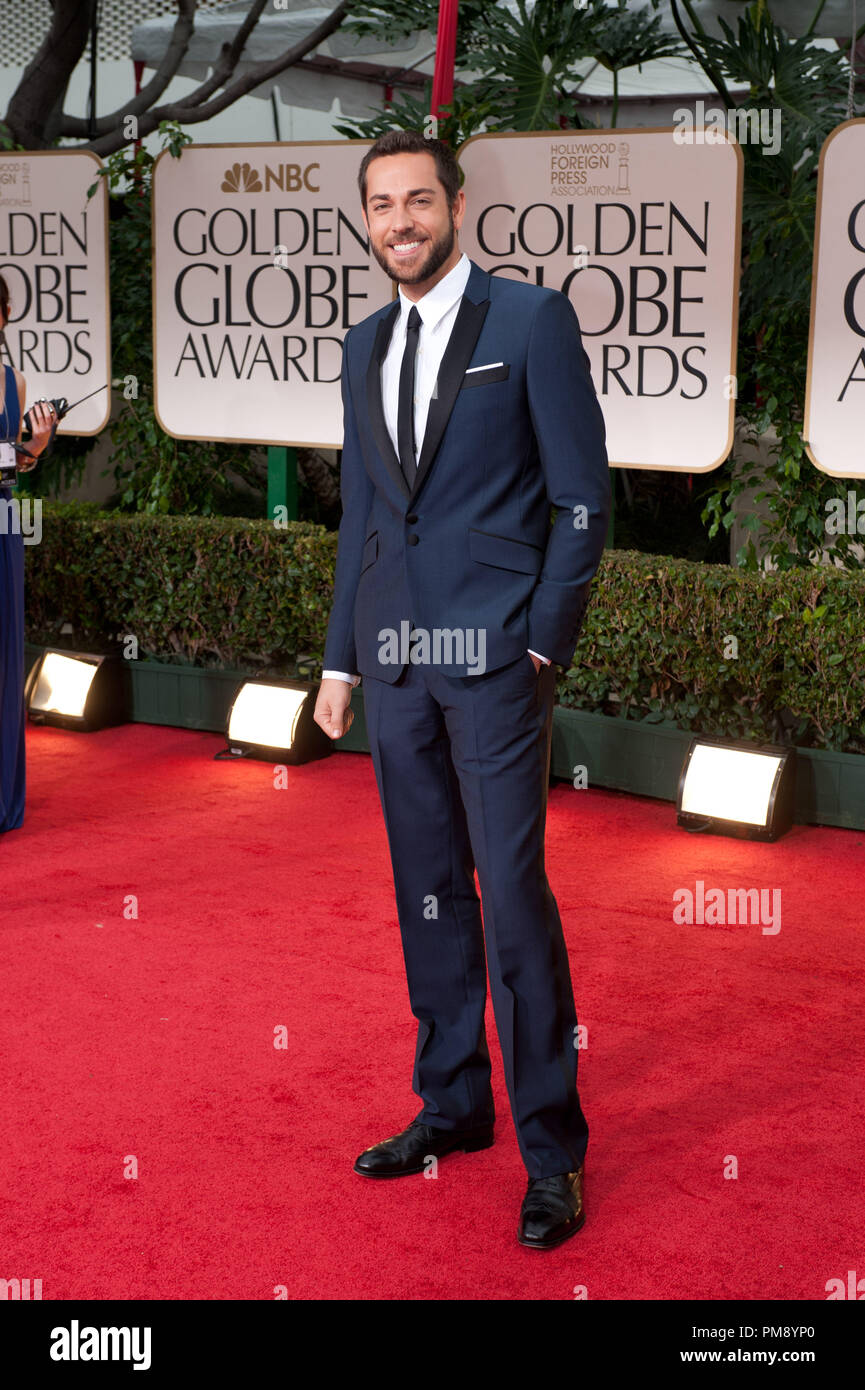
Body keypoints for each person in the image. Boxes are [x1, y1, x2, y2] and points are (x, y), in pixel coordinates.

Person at [313, 130, 610, 1249]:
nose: (399, 222)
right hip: (393, 664)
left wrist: (540, 643)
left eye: (417, 202)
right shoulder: (363, 344)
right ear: (368, 218)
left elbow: (582, 499)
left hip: (492, 663)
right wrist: (340, 659)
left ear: (456, 205)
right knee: (428, 892)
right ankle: (451, 1103)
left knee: (516, 903)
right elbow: (365, 518)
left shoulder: (530, 323)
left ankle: (552, 1148)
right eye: (381, 205)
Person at [0, 271, 58, 834]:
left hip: (2, 526)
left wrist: (34, 447)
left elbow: (13, 460)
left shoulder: (13, 381)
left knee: (3, 657)